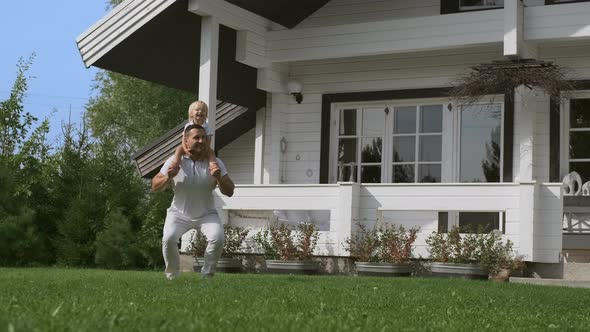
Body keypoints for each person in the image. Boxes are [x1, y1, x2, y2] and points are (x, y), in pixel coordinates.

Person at [152, 123, 235, 280]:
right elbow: (155, 185)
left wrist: (218, 178)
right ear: (186, 140)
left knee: (217, 238)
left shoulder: (216, 162)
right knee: (168, 238)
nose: (201, 141)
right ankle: (172, 276)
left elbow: (230, 191)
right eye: (196, 137)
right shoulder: (175, 161)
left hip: (206, 214)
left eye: (204, 137)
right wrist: (168, 176)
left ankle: (207, 276)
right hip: (178, 213)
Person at [171, 100, 220, 177]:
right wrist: (185, 149)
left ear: (206, 114)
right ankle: (175, 164)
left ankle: (213, 166)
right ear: (191, 113)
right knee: (178, 149)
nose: (200, 112)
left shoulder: (206, 126)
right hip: (189, 147)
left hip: (203, 147)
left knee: (211, 152)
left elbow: (208, 140)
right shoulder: (188, 125)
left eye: (203, 111)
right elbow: (184, 139)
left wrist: (205, 151)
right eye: (197, 110)